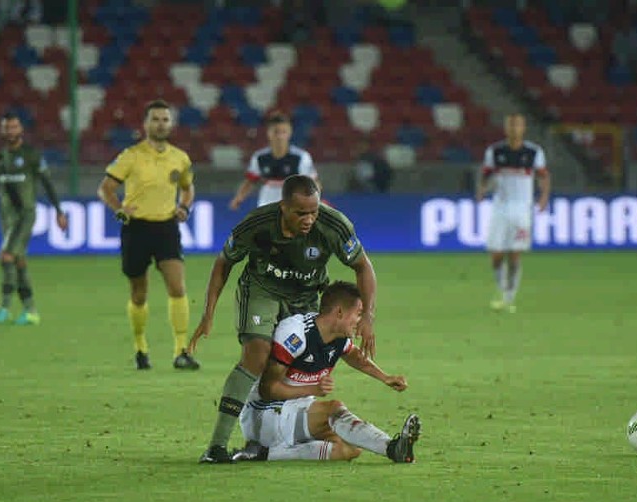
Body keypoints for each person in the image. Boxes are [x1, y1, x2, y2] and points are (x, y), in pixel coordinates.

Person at [189, 174, 377, 464]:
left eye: (313, 212)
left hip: (305, 297)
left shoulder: (333, 226)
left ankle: (265, 438)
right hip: (262, 290)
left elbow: (363, 267)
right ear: (283, 207)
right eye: (301, 213)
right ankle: (216, 447)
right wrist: (207, 313)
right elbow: (224, 261)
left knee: (294, 363)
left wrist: (368, 318)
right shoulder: (256, 225)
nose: (309, 219)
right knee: (257, 355)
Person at [234, 281, 420, 463]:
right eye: (358, 314)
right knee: (333, 409)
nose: (361, 321)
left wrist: (384, 377)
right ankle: (393, 448)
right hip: (263, 415)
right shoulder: (296, 335)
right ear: (339, 312)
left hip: (297, 412)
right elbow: (267, 389)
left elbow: (353, 355)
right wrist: (312, 389)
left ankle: (264, 453)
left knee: (350, 448)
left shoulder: (338, 336)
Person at [97, 99, 200, 372]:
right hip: (137, 229)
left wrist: (184, 208)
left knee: (177, 287)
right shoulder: (130, 156)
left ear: (171, 124)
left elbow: (188, 189)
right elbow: (106, 188)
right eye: (155, 119)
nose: (160, 124)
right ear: (145, 124)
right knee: (139, 293)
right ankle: (141, 348)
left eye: (165, 119)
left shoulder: (180, 158)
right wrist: (119, 210)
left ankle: (181, 351)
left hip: (166, 227)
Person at [0, 111, 68, 325]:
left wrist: (58, 210)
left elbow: (47, 183)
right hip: (6, 217)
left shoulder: (31, 155)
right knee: (19, 261)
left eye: (14, 127)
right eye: (7, 128)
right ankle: (31, 311)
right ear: (2, 131)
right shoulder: (0, 157)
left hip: (25, 215)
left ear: (21, 130)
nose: (11, 131)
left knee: (6, 256)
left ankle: (4, 308)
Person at [476, 113, 550, 314]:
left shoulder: (534, 152)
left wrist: (543, 198)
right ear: (506, 128)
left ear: (523, 128)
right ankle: (502, 287)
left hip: (522, 209)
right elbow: (485, 175)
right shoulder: (495, 151)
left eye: (517, 125)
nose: (514, 128)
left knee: (515, 254)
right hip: (500, 207)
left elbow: (544, 177)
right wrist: (482, 190)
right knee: (496, 254)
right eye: (510, 125)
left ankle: (508, 296)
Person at [228, 110, 319, 210]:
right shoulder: (259, 157)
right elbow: (250, 181)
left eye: (283, 132)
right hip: (267, 201)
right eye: (276, 132)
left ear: (290, 133)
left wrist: (314, 201)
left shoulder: (301, 157)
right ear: (269, 133)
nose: (280, 136)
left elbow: (313, 183)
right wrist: (239, 198)